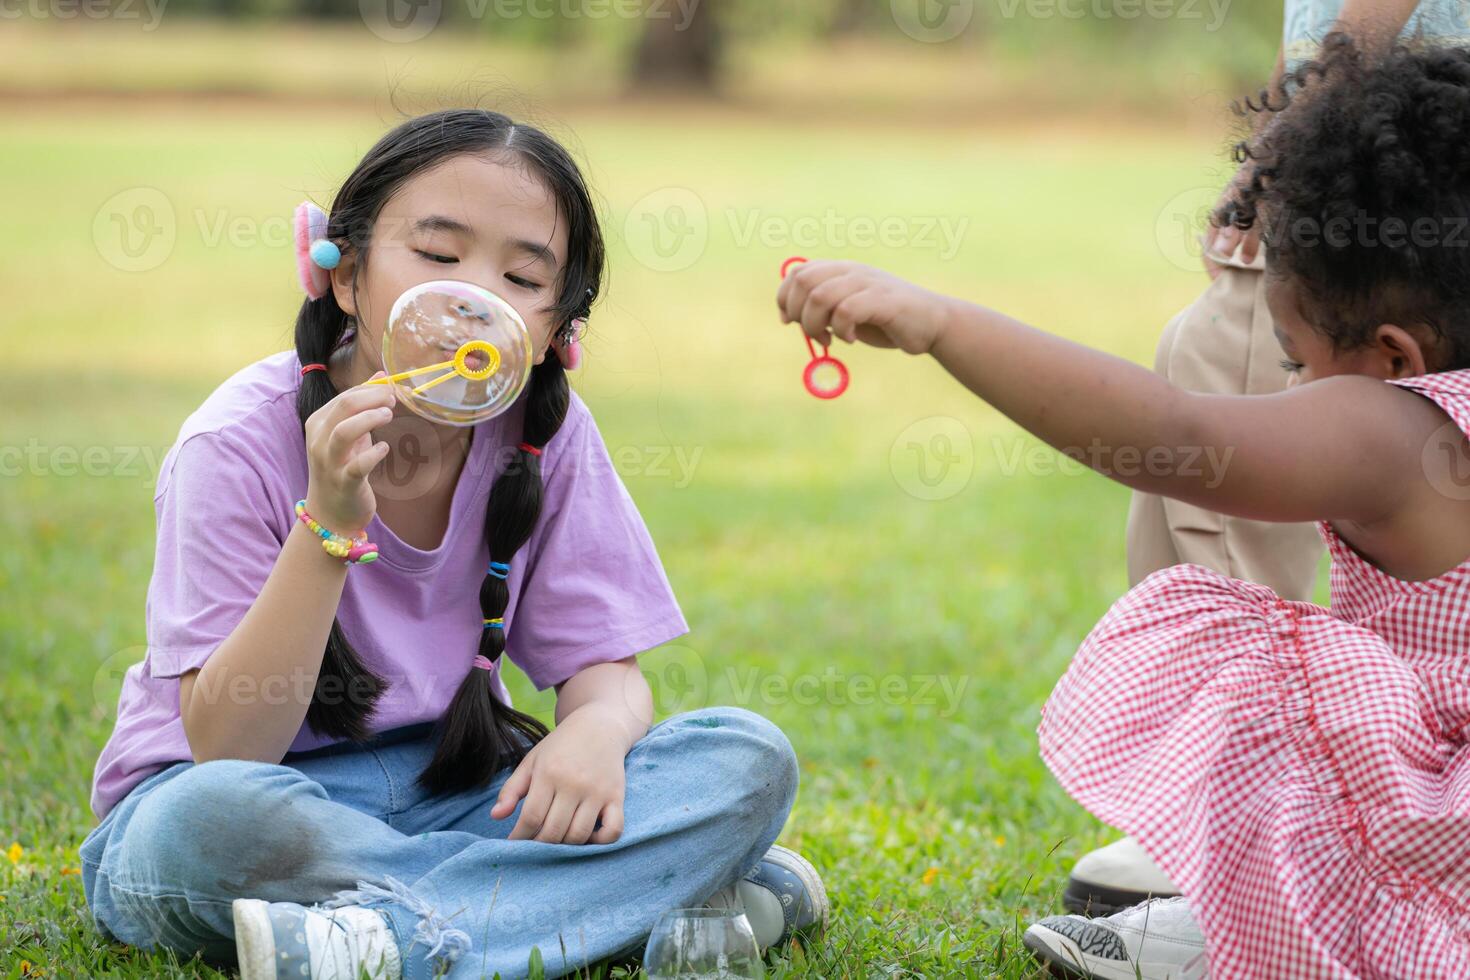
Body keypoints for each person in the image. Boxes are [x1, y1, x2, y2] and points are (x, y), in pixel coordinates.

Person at [777, 34, 1470, 977]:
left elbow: (1178, 437)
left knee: (1236, 641)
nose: (1295, 384)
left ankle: (1281, 927)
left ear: (1395, 358)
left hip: (1441, 843)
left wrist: (942, 323)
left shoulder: (1398, 429)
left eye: (1297, 360)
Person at [79, 109, 826, 980]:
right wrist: (328, 526)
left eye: (520, 276)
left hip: (459, 793)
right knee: (203, 825)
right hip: (264, 807)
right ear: (345, 273)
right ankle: (654, 900)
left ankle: (377, 942)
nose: (473, 300)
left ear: (555, 330)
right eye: (438, 256)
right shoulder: (233, 443)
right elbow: (230, 748)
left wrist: (596, 728)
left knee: (744, 757)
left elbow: (606, 674)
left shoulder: (545, 438)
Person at [1069, 0, 1469, 920]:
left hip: (1381, 189)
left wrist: (1288, 140)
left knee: (1229, 372)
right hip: (1392, 164)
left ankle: (1228, 833)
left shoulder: (1372, 377)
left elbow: (1185, 437)